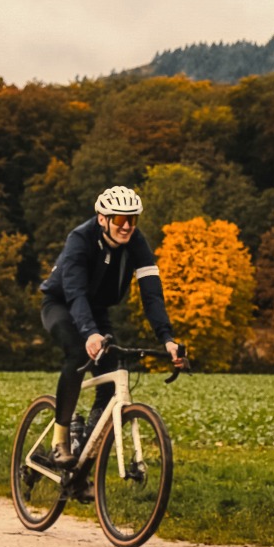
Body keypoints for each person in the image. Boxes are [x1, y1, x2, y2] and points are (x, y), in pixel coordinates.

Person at [38, 187, 183, 464]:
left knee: (112, 371)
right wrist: (90, 333)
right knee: (78, 354)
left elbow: (152, 295)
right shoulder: (80, 239)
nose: (127, 226)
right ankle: (60, 440)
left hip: (97, 310)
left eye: (132, 219)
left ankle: (84, 454)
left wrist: (167, 339)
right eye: (119, 219)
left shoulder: (137, 243)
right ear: (102, 218)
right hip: (61, 304)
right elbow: (75, 293)